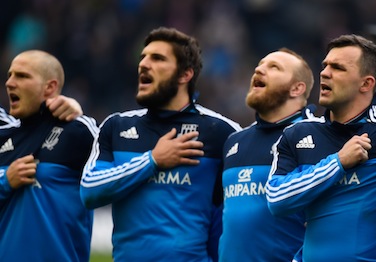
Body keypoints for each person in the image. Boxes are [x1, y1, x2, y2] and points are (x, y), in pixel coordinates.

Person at [80, 27, 241, 261]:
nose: (143, 64)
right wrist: (152, 161)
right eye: (143, 58)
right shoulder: (116, 127)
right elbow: (90, 190)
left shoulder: (222, 133)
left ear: (185, 74)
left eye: (157, 58)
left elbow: (236, 212)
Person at [266, 34, 376, 261]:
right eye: (325, 66)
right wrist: (337, 162)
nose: (324, 73)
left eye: (338, 68)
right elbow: (276, 199)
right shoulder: (298, 134)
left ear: (366, 83)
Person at [218, 48, 317, 261]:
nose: (259, 69)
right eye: (260, 64)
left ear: (297, 88)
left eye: (274, 67)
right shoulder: (235, 141)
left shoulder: (316, 137)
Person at [0, 50, 97, 261]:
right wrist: (5, 180)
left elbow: (115, 177)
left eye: (22, 76)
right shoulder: (3, 135)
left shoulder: (77, 132)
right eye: (9, 75)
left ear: (50, 88)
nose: (9, 83)